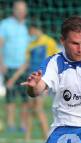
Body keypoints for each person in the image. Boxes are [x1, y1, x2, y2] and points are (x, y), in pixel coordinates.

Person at [7, 19, 58, 141]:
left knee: (38, 108)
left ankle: (47, 135)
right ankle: (27, 136)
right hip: (32, 81)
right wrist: (12, 79)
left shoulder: (48, 42)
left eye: (30, 32)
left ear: (34, 29)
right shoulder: (31, 45)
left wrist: (50, 81)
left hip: (43, 81)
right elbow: (26, 64)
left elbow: (56, 60)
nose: (29, 34)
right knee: (31, 108)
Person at [0, 1, 30, 132]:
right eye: (19, 9)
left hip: (25, 67)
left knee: (25, 98)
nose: (21, 12)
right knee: (10, 97)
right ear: (14, 10)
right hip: (9, 66)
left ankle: (23, 125)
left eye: (23, 9)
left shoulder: (28, 26)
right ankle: (11, 124)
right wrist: (1, 64)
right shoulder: (5, 24)